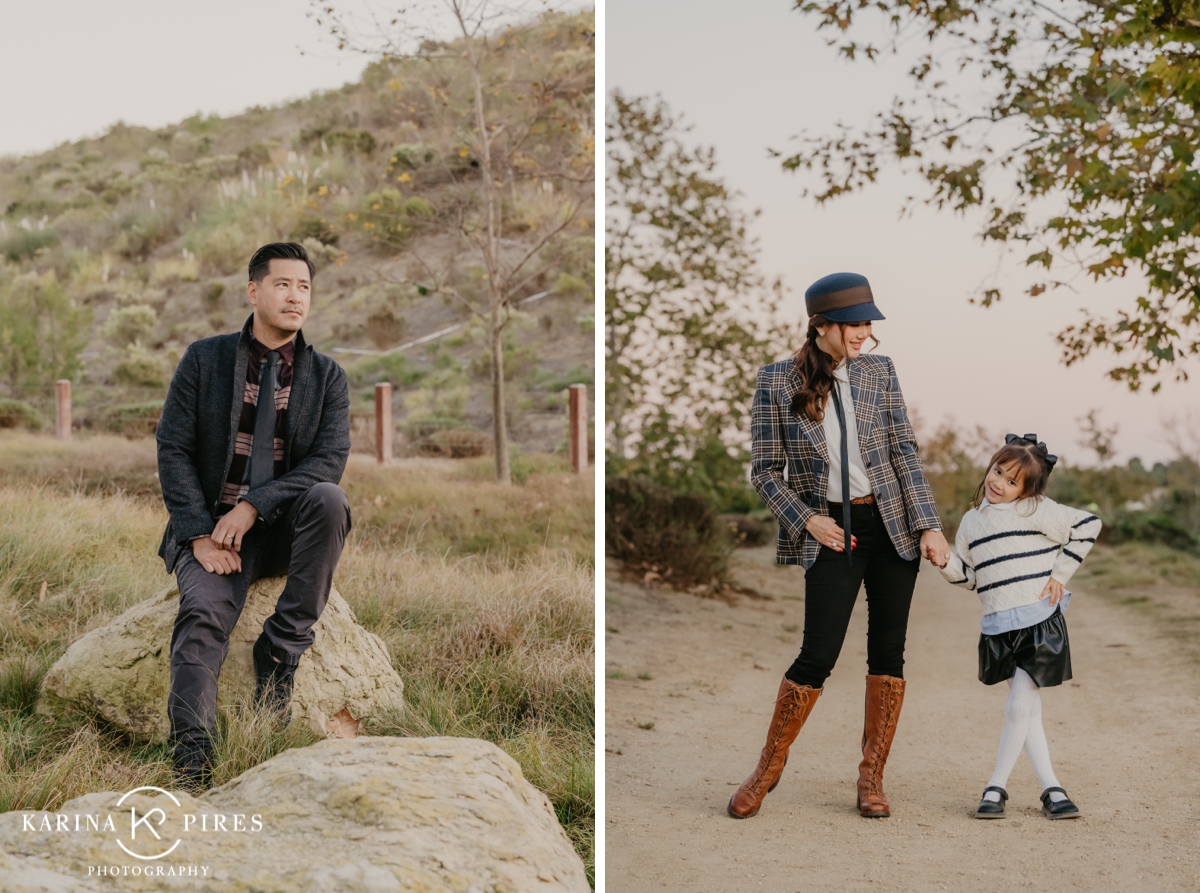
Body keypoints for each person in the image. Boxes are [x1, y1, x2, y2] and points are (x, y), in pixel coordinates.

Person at [727, 272, 950, 820]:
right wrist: (808, 521)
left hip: (892, 526)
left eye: (868, 322)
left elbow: (904, 452)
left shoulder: (880, 371)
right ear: (820, 325)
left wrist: (930, 524)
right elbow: (764, 473)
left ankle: (871, 779)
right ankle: (767, 770)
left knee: (888, 653)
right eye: (854, 323)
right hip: (831, 531)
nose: (864, 332)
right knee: (817, 654)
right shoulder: (776, 380)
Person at [156, 241, 352, 787]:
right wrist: (196, 533)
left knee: (330, 500)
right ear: (254, 290)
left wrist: (254, 505)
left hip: (283, 530)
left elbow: (329, 462)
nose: (296, 297)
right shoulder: (205, 359)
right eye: (283, 284)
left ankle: (280, 652)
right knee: (200, 623)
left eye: (304, 287)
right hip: (213, 534)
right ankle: (191, 761)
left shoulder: (327, 377)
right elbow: (172, 447)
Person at [931, 434, 1101, 819]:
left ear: (1026, 490)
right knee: (1027, 712)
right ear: (989, 466)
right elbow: (970, 578)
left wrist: (1061, 573)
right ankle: (1053, 791)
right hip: (998, 626)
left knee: (1019, 705)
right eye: (998, 472)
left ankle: (996, 787)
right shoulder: (972, 522)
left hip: (1038, 620)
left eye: (1012, 482)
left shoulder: (1035, 510)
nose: (999, 483)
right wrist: (943, 563)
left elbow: (1089, 523)